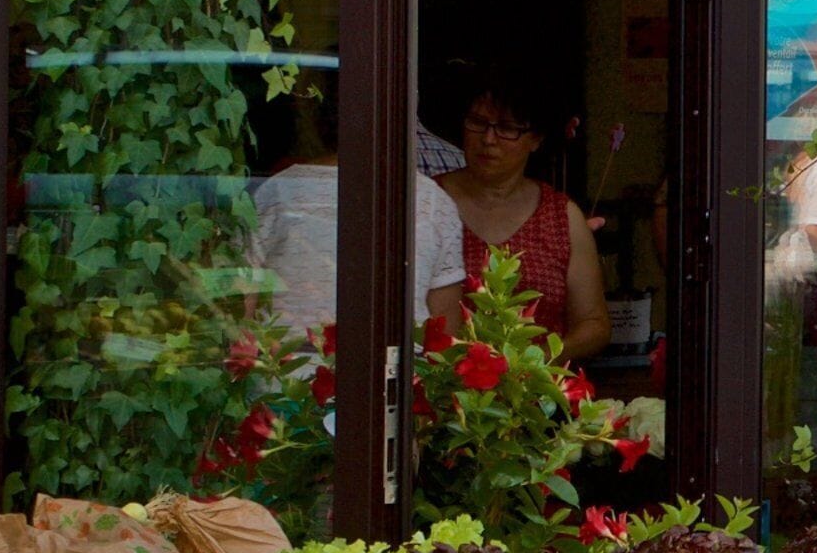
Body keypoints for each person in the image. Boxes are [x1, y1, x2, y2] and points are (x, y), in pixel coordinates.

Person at [252, 84, 471, 335]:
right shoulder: (434, 202)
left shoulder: (279, 191)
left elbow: (242, 297)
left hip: (288, 368)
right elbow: (443, 325)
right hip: (399, 369)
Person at [437, 82, 612, 360]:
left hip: (535, 392)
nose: (489, 139)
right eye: (478, 123)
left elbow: (594, 324)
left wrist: (532, 363)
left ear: (535, 139)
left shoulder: (561, 217)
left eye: (507, 128)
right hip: (442, 387)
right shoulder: (431, 205)